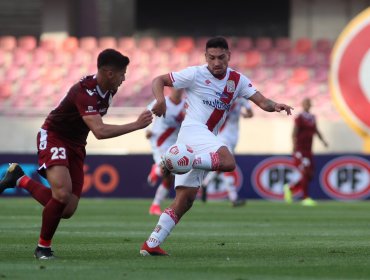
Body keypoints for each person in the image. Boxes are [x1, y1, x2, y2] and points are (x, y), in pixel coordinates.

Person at [139, 36, 293, 256]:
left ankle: (151, 243)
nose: (216, 62)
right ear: (206, 57)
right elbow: (158, 80)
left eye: (221, 57)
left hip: (199, 138)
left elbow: (262, 101)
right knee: (228, 161)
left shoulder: (237, 81)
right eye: (211, 58)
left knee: (185, 200)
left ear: (228, 56)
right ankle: (176, 161)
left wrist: (275, 105)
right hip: (193, 130)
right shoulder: (195, 74)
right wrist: (160, 100)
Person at [0, 48, 153, 260]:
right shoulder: (85, 92)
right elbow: (99, 131)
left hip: (76, 144)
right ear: (109, 73)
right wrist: (136, 125)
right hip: (54, 136)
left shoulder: (109, 89)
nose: (124, 78)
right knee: (62, 195)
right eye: (121, 74)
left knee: (67, 209)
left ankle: (20, 178)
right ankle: (42, 248)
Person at [201, 97, 253, 206]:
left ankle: (205, 183)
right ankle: (234, 198)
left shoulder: (242, 100)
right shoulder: (223, 98)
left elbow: (251, 114)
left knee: (221, 167)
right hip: (223, 137)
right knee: (229, 164)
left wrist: (244, 115)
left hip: (234, 137)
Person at [146, 88, 186, 216]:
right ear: (170, 88)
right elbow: (147, 112)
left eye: (181, 88)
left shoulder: (186, 105)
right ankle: (157, 169)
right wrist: (147, 129)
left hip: (175, 144)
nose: (178, 90)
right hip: (160, 141)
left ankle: (155, 205)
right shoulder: (162, 102)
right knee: (167, 170)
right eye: (176, 87)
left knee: (169, 178)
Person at [283, 97, 328, 206]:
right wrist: (294, 146)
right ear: (302, 105)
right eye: (305, 103)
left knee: (310, 175)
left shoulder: (312, 117)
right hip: (300, 150)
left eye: (309, 103)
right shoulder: (299, 117)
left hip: (309, 151)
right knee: (305, 171)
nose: (307, 105)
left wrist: (323, 141)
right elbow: (294, 132)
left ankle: (290, 188)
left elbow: (316, 130)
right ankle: (305, 198)